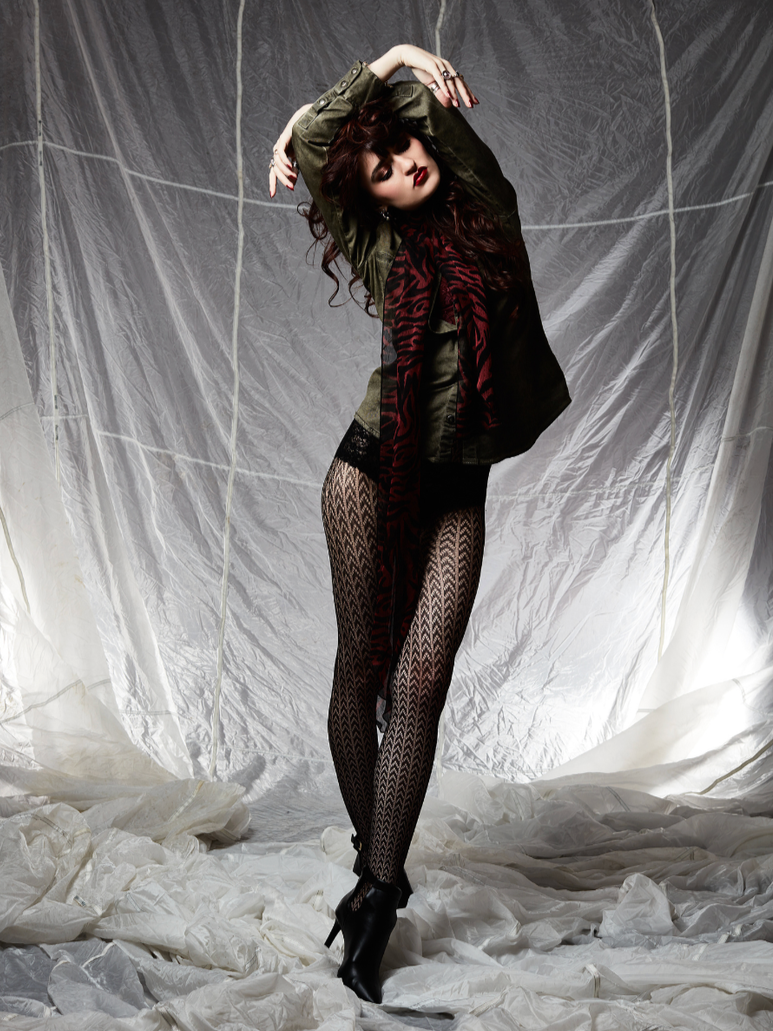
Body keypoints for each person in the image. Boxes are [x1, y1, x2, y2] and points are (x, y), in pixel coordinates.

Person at [269, 44, 570, 1004]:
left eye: (402, 149)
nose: (405, 166)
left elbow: (412, 124)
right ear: (368, 200)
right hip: (368, 474)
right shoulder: (379, 247)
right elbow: (321, 140)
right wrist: (387, 58)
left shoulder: (487, 210)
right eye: (382, 171)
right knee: (362, 669)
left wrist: (399, 78)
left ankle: (372, 887)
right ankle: (380, 879)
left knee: (422, 680)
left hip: (455, 486)